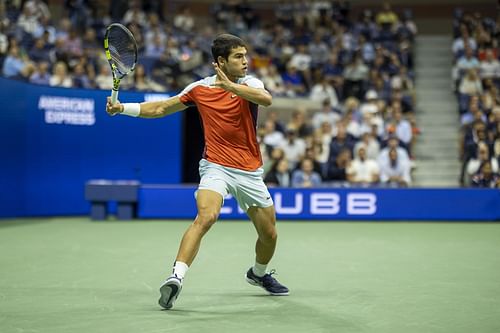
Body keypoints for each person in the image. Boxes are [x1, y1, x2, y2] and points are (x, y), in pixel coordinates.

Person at [106, 33, 289, 310]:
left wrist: (231, 86)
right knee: (206, 216)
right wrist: (122, 108)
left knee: (269, 234)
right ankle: (175, 278)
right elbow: (161, 107)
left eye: (245, 55)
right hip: (215, 165)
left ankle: (258, 274)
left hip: (249, 171)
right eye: (238, 57)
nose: (245, 62)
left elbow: (265, 99)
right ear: (220, 61)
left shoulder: (250, 83)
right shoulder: (200, 89)